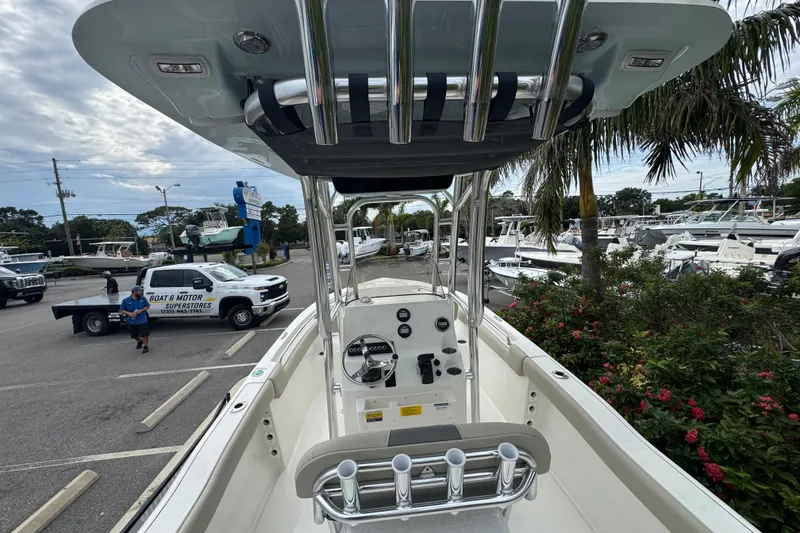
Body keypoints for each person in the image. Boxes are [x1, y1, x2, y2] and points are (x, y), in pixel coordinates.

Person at [120, 285, 151, 353]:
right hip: (131, 320)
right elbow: (122, 310)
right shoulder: (126, 300)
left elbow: (147, 306)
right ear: (134, 292)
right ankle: (139, 341)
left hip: (142, 319)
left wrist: (141, 310)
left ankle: (146, 346)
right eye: (140, 291)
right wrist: (129, 313)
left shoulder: (143, 298)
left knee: (145, 333)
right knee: (133, 334)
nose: (141, 292)